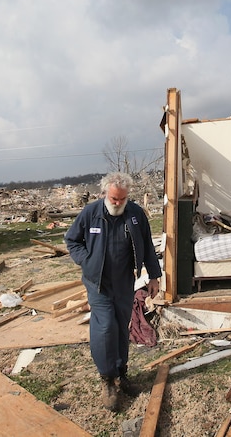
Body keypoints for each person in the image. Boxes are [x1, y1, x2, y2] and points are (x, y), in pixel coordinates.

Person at [64, 172, 162, 411]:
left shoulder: (136, 214)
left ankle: (121, 373)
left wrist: (154, 276)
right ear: (105, 193)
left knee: (121, 326)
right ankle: (107, 379)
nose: (117, 203)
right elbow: (72, 240)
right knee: (105, 327)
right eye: (114, 198)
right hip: (98, 283)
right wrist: (86, 261)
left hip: (124, 282)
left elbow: (148, 245)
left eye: (122, 199)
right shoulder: (91, 213)